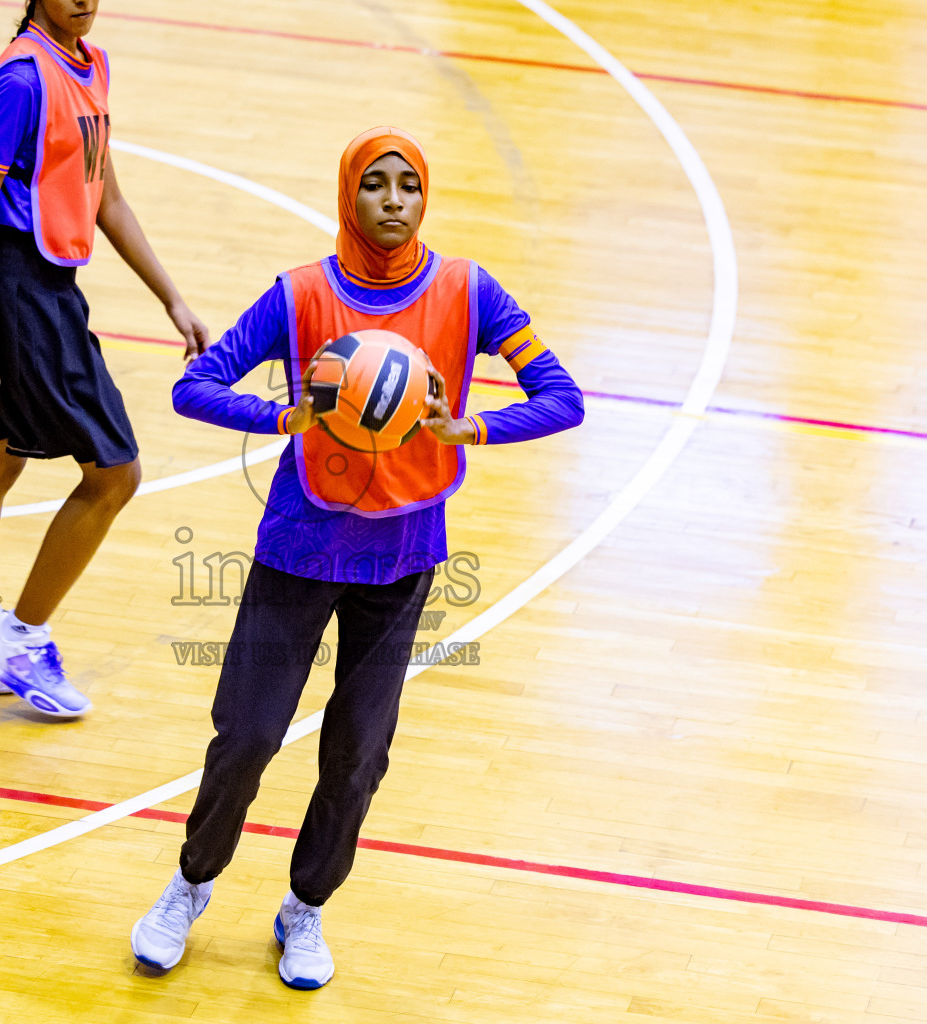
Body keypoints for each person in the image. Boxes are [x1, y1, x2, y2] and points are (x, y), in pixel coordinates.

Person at [130, 127, 586, 988]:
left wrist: (473, 425)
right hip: (298, 552)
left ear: (425, 197)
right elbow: (196, 387)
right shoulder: (299, 295)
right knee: (249, 736)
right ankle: (190, 885)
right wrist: (281, 419)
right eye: (374, 184)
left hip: (404, 557)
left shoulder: (468, 289)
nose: (392, 199)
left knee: (357, 752)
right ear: (348, 195)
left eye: (408, 185)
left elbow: (563, 399)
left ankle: (306, 907)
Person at [0, 0, 209, 710]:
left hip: (50, 287)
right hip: (15, 292)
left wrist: (173, 298)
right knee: (116, 472)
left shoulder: (90, 64)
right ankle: (20, 636)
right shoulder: (20, 79)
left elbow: (109, 199)